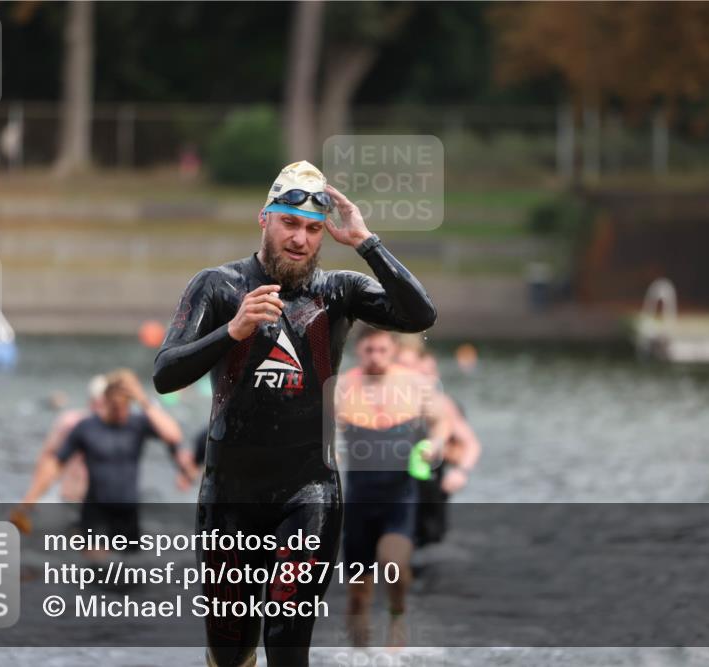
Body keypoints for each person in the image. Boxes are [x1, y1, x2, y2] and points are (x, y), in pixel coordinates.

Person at [152, 160, 436, 667]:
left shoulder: (338, 292)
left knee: (286, 637)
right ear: (265, 219)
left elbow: (420, 315)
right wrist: (231, 332)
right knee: (230, 646)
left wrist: (366, 242)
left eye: (311, 229)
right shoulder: (218, 287)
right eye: (290, 223)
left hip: (309, 493)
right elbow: (165, 374)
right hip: (229, 496)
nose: (300, 239)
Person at [335, 327, 450, 648]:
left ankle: (397, 616)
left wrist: (435, 443)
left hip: (399, 498)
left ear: (392, 350)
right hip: (359, 500)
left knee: (395, 567)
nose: (375, 357)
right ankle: (358, 653)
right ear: (359, 351)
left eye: (382, 350)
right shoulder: (343, 388)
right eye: (369, 350)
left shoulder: (414, 385)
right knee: (358, 594)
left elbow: (443, 420)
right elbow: (318, 428)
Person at [14, 369, 195, 543]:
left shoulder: (137, 425)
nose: (119, 412)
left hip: (127, 513)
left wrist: (143, 399)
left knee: (130, 570)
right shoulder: (86, 428)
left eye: (124, 406)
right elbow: (55, 464)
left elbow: (174, 436)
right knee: (98, 566)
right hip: (95, 513)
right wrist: (27, 503)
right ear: (106, 401)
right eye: (115, 406)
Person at [402, 347, 481, 548]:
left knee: (431, 544)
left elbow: (470, 444)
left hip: (431, 484)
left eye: (430, 373)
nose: (426, 379)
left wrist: (460, 472)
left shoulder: (444, 404)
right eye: (420, 373)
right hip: (397, 485)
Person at [31, 374, 108, 504]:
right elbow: (48, 457)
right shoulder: (70, 422)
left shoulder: (119, 427)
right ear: (91, 399)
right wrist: (32, 498)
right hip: (70, 498)